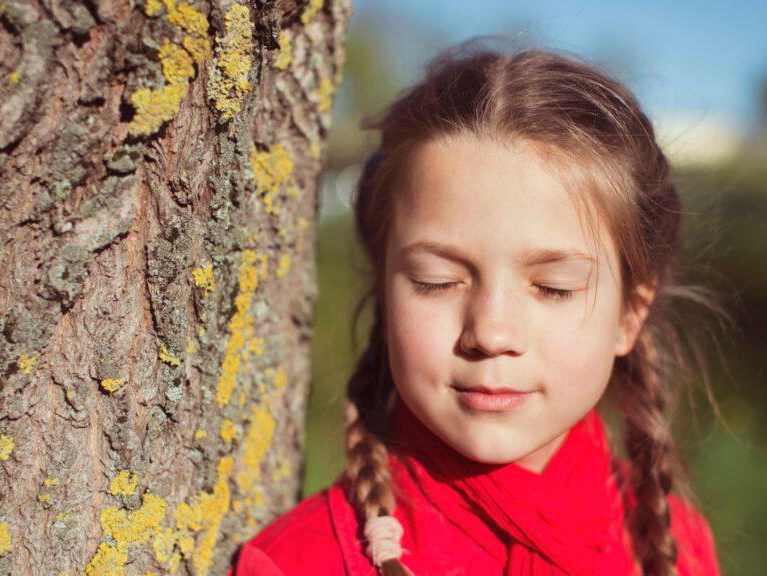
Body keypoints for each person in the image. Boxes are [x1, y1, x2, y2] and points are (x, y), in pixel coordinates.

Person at [229, 39, 727, 576]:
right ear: (385, 285)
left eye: (554, 287)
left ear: (630, 314)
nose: (490, 333)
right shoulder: (302, 563)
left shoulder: (676, 545)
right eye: (436, 281)